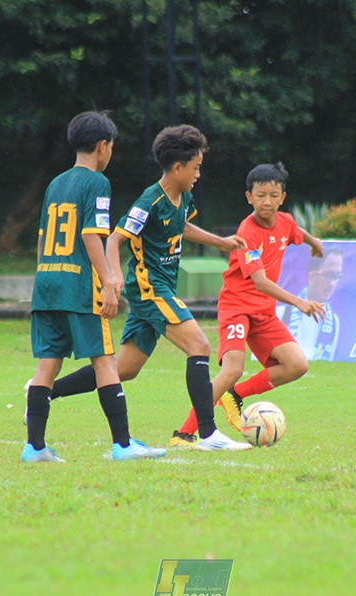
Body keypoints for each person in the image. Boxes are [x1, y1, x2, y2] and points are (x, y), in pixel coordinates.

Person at [48, 124, 249, 452]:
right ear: (178, 167)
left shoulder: (182, 196)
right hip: (149, 288)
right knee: (199, 345)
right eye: (196, 168)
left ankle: (44, 392)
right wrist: (112, 281)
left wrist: (220, 242)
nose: (199, 174)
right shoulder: (149, 200)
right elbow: (114, 239)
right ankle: (208, 434)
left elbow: (180, 224)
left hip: (160, 287)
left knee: (122, 370)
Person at [22, 111, 164, 462]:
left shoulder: (56, 183)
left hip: (47, 281)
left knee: (46, 366)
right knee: (104, 361)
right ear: (103, 146)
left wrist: (45, 279)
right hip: (78, 286)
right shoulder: (97, 183)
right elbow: (91, 234)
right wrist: (108, 281)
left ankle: (34, 447)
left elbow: (42, 238)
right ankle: (123, 444)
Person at [170, 162, 326, 446]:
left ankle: (234, 396)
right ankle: (184, 433)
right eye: (261, 195)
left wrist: (315, 243)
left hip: (264, 313)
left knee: (296, 364)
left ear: (282, 197)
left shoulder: (286, 222)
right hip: (237, 308)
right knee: (232, 369)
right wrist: (299, 302)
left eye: (273, 195)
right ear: (249, 197)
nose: (267, 202)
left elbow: (297, 233)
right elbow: (260, 282)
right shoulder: (248, 232)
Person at [277, 248, 342, 361]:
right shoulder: (282, 313)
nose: (332, 283)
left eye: (336, 277)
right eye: (328, 275)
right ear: (312, 277)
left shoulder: (334, 322)